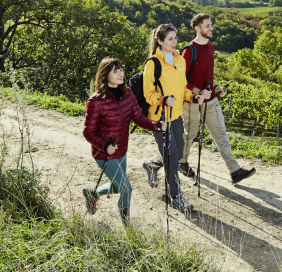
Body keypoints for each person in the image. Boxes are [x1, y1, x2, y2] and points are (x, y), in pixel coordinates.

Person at [82, 58, 161, 225]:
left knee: (117, 186)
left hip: (121, 150)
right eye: (115, 71)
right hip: (104, 153)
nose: (120, 74)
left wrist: (157, 126)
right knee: (126, 188)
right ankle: (128, 227)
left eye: (121, 70)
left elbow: (138, 117)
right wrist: (104, 145)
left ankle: (92, 194)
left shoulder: (127, 94)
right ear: (105, 75)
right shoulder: (95, 101)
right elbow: (88, 132)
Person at [179, 13, 256, 184]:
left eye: (211, 25)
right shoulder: (188, 51)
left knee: (221, 134)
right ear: (197, 29)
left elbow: (208, 76)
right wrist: (198, 92)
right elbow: (181, 79)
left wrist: (216, 87)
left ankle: (235, 171)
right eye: (207, 26)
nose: (211, 28)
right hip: (192, 101)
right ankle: (182, 162)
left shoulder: (211, 47)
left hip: (211, 100)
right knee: (189, 134)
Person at [141, 23, 202, 213]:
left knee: (176, 152)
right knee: (172, 155)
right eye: (170, 39)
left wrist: (192, 96)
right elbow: (147, 93)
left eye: (175, 38)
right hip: (160, 117)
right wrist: (162, 99)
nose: (175, 42)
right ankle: (176, 197)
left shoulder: (180, 60)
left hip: (175, 115)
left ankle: (151, 165)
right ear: (160, 41)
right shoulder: (153, 63)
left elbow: (182, 88)